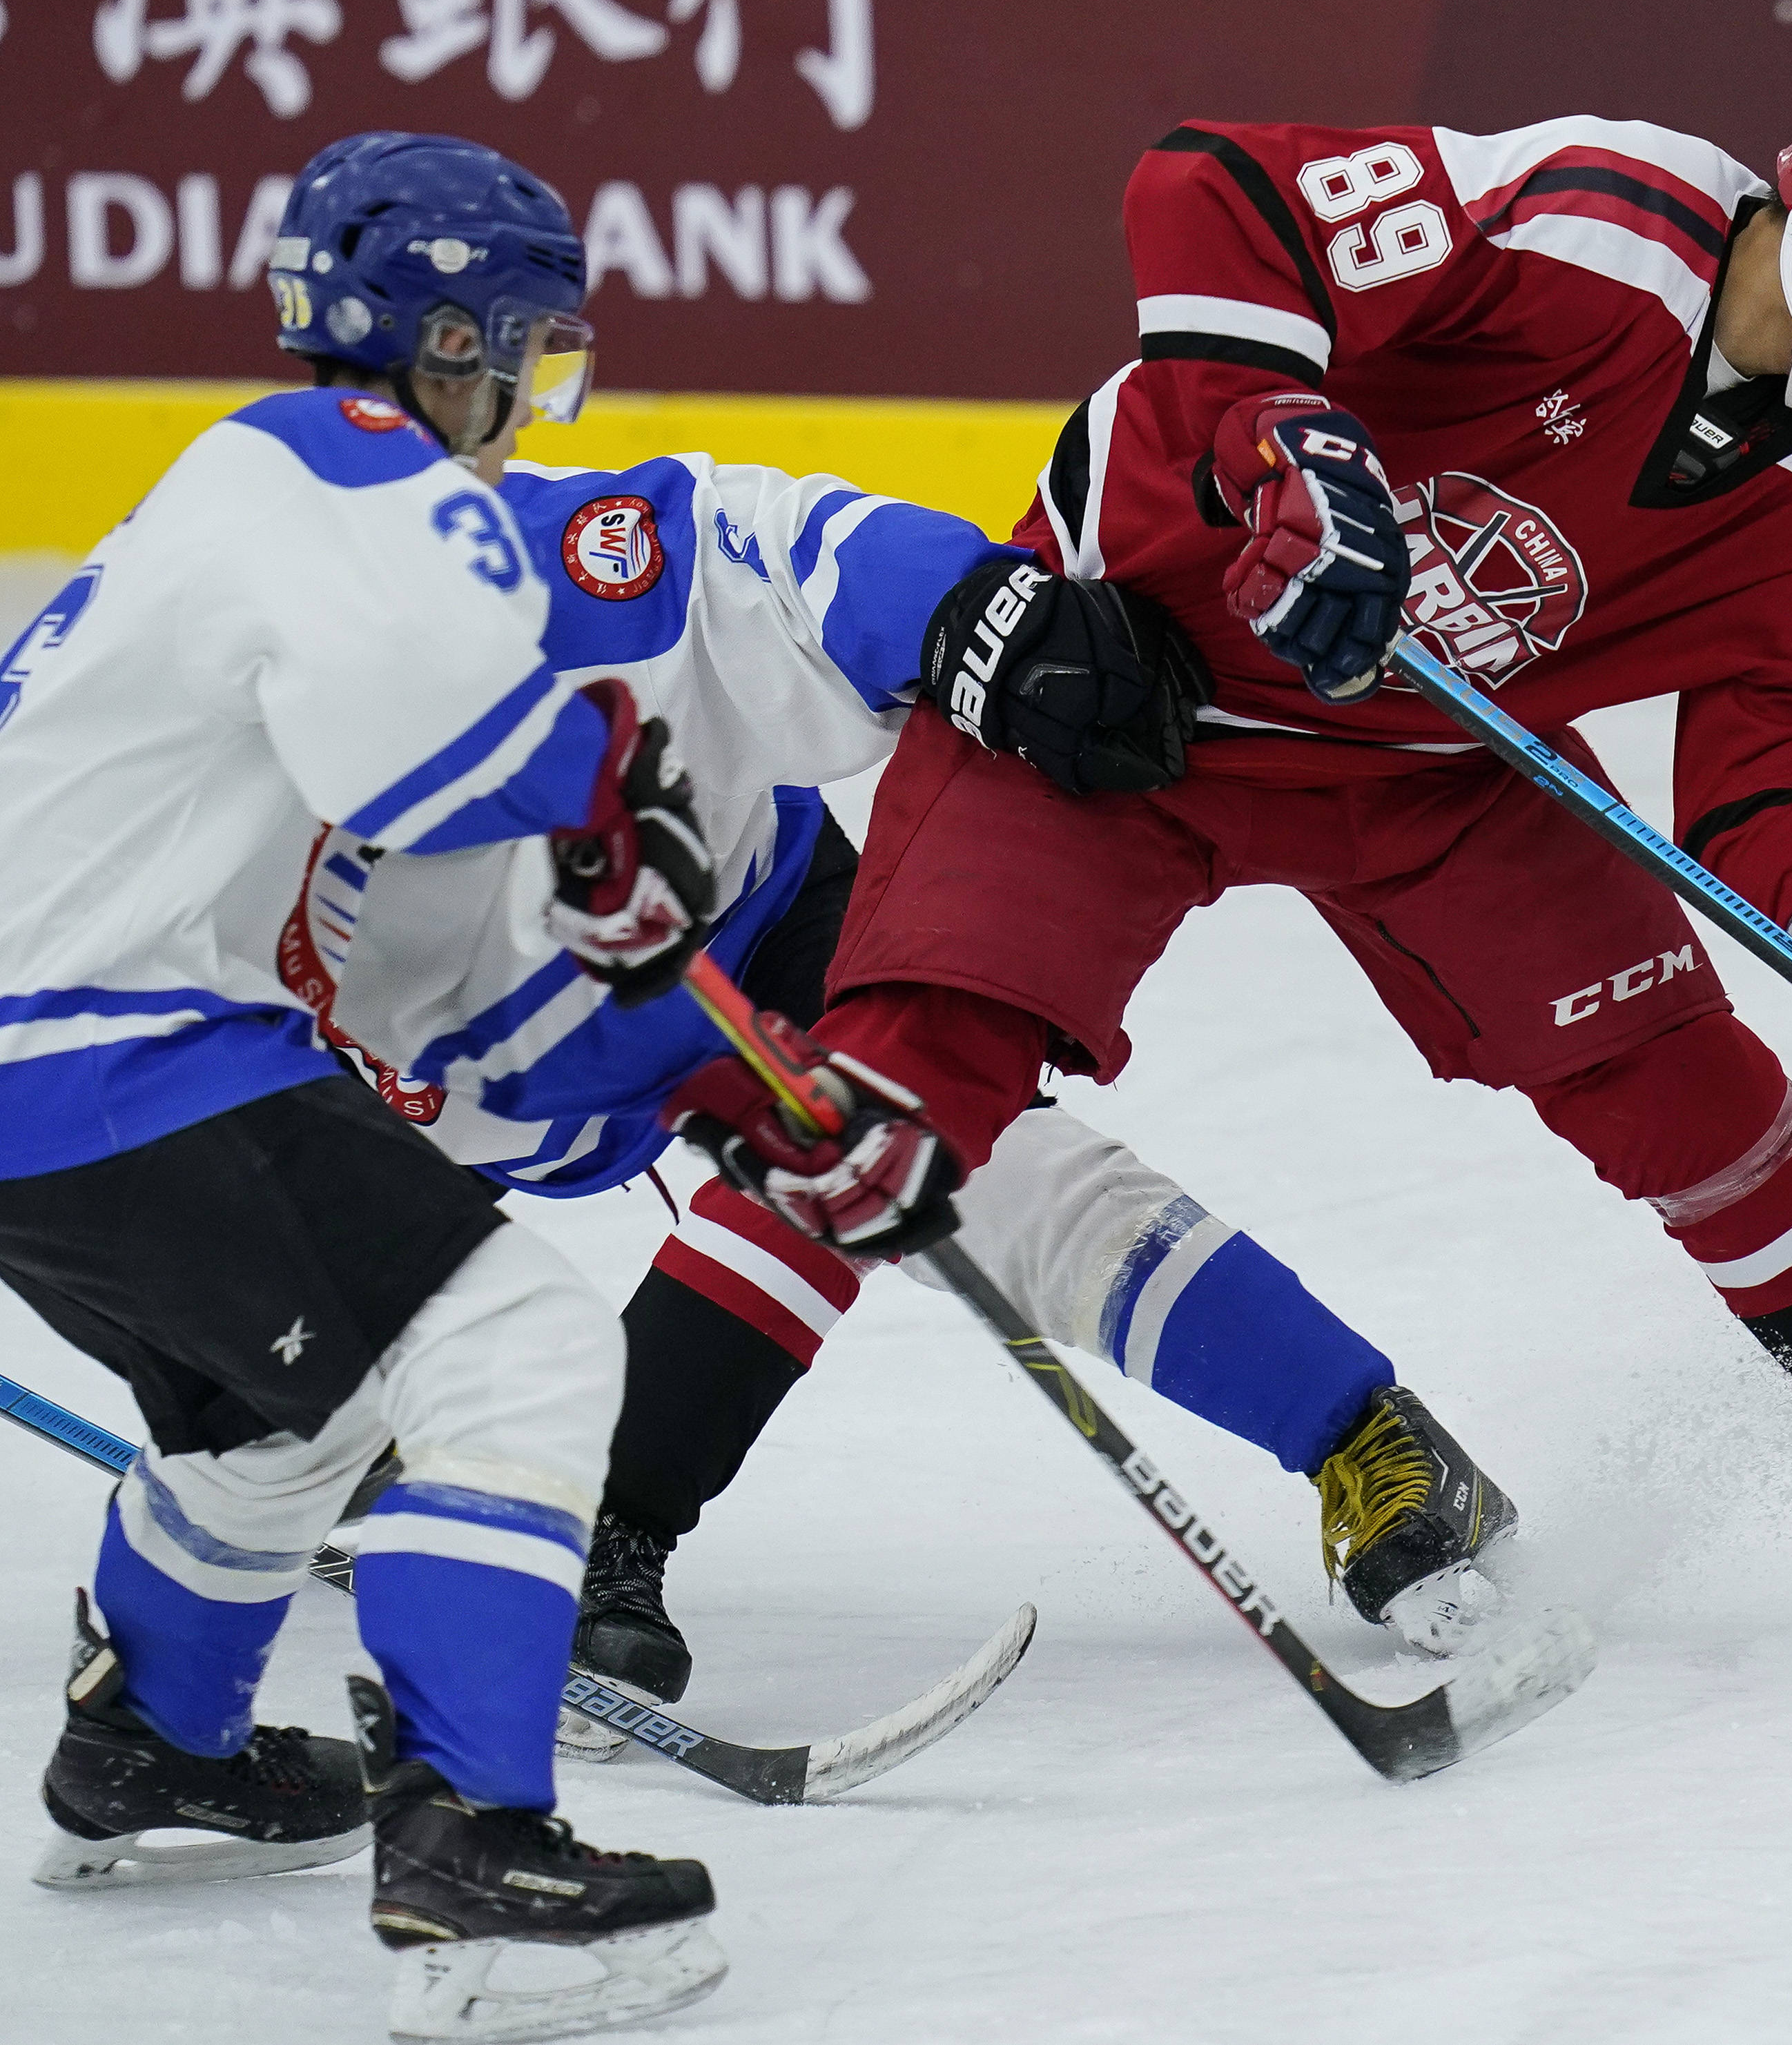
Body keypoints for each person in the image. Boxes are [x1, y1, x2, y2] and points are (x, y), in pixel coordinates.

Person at [650, 46, 1792, 1615]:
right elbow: (1220, 188)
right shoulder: (1592, 217)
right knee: (891, 1087)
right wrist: (1277, 440)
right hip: (1129, 678)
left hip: (1438, 762)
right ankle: (615, 1536)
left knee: (1695, 1096)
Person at [284, 386, 1526, 1723]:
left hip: (733, 918)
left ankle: (1361, 1434)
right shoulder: (166, 826)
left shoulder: (567, 561)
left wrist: (979, 617)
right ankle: (352, 1463)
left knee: (948, 1157)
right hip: (428, 1093)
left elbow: (773, 542)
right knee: (264, 1376)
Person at [0, 133, 727, 2040]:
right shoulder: (354, 468)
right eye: (519, 346)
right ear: (447, 332)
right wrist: (599, 802)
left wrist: (584, 813)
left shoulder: (217, 488)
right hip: (124, 1057)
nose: (528, 391)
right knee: (518, 1353)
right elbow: (422, 760)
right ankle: (476, 1847)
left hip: (43, 1083)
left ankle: (154, 1748)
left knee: (272, 1422)